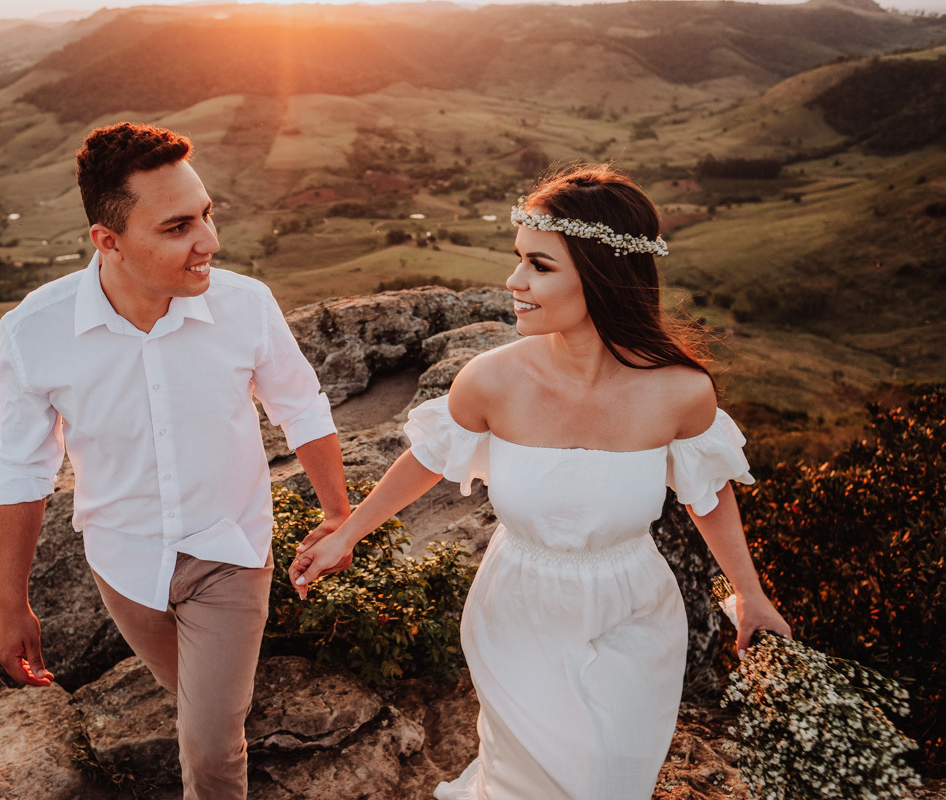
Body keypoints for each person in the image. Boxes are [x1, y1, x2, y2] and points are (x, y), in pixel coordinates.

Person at [289, 164, 792, 800]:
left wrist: (748, 593)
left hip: (635, 612)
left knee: (612, 783)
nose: (514, 281)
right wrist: (348, 533)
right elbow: (429, 458)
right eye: (518, 259)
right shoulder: (492, 379)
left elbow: (707, 491)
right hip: (518, 611)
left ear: (603, 276)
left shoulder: (681, 393)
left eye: (540, 265)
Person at [0, 122, 351, 800]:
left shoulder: (246, 305)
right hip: (123, 565)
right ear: (109, 241)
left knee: (210, 748)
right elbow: (21, 469)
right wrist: (14, 606)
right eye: (179, 226)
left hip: (229, 551)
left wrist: (339, 516)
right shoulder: (35, 330)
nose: (209, 241)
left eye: (208, 214)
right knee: (204, 707)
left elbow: (301, 407)